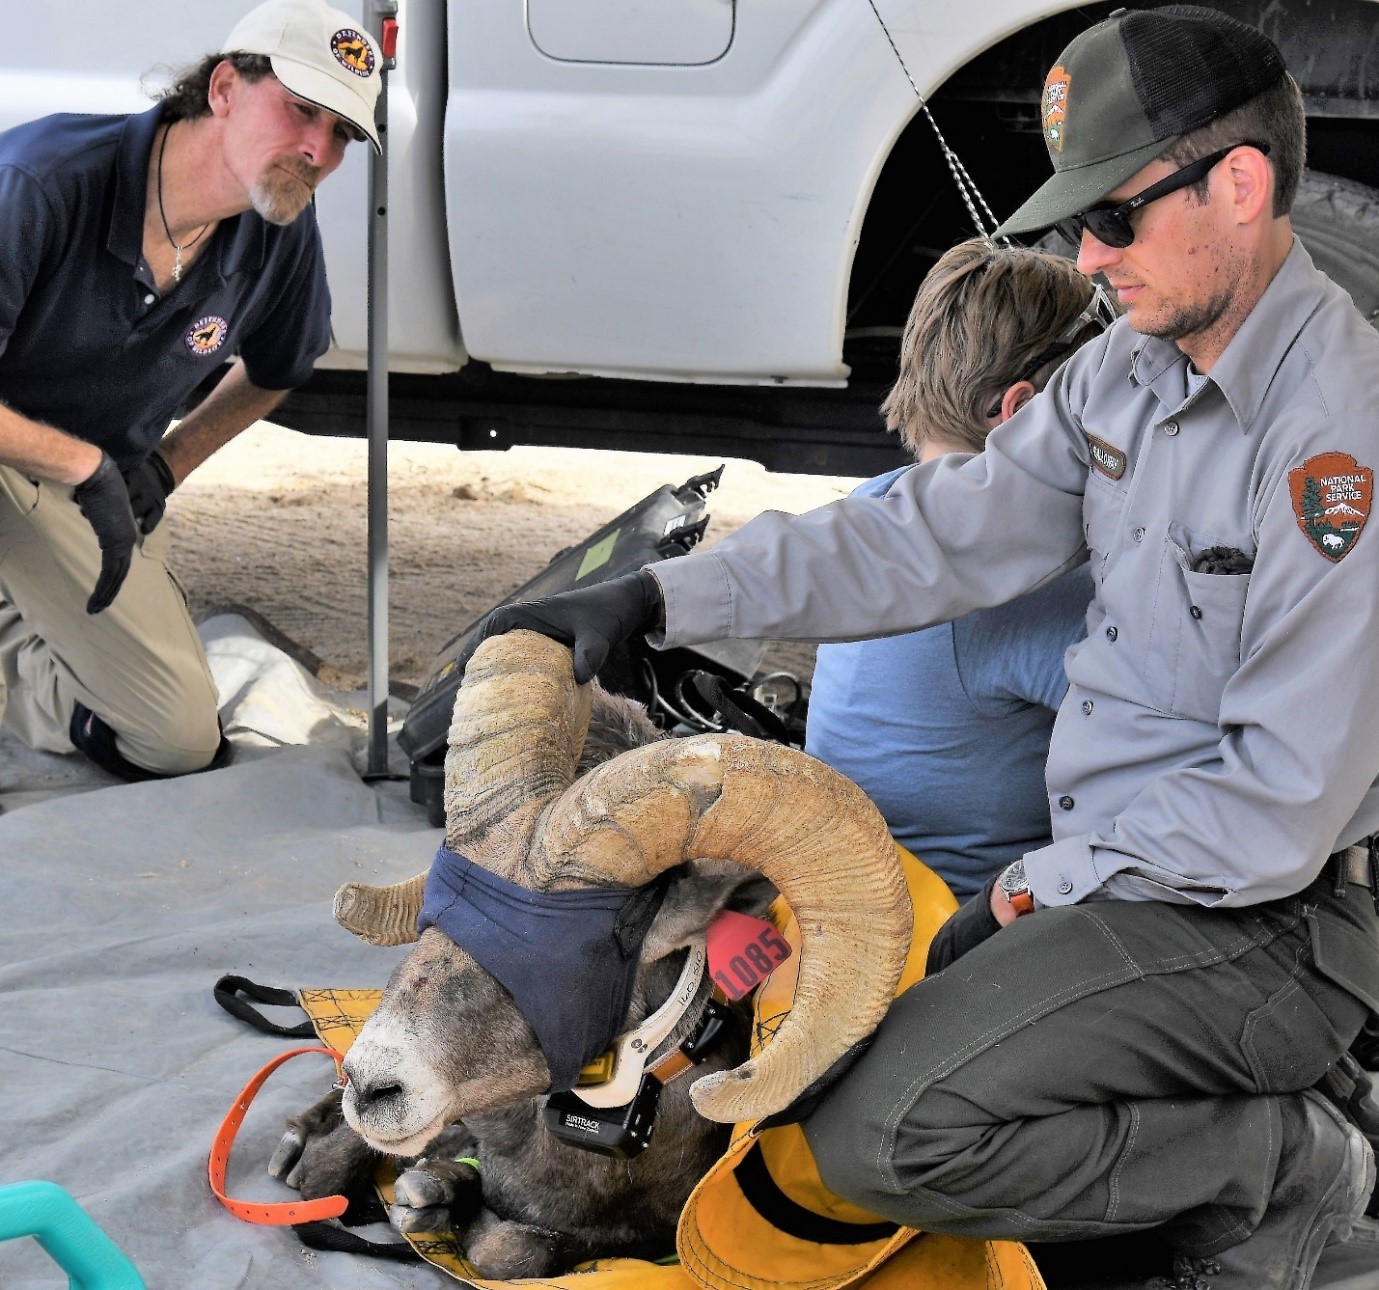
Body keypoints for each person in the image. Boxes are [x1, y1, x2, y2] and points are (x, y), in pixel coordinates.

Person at [465, 8, 1379, 1286]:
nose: (1087, 255)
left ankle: (1279, 1162)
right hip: (1111, 888)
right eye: (1072, 224)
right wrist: (665, 599)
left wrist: (1026, 894)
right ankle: (1195, 1182)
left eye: (1110, 218)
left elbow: (1275, 804)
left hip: (1255, 918)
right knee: (821, 1089)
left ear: (1236, 185)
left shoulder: (1335, 435)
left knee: (879, 1134)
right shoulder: (1128, 370)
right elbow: (934, 538)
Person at [0, 0, 379, 780]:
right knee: (171, 734)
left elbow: (278, 368)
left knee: (172, 740)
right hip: (38, 465)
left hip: (79, 487)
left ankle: (24, 645)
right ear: (223, 91)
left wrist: (164, 465)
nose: (316, 149)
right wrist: (83, 467)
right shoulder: (40, 180)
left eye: (342, 133)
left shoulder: (279, 230)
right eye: (301, 109)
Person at [805, 238, 1108, 900]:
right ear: (1022, 411)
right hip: (973, 948)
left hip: (862, 908)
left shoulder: (878, 503)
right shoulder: (1014, 585)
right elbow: (1207, 722)